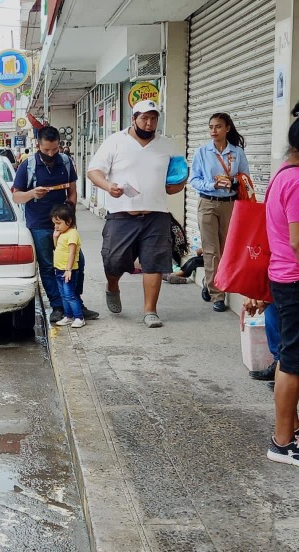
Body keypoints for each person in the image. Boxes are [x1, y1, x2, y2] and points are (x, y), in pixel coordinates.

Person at [86, 99, 187, 328]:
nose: (149, 123)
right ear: (134, 119)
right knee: (114, 260)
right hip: (121, 214)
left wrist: (177, 186)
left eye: (153, 118)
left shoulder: (168, 145)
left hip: (156, 214)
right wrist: (108, 186)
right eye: (144, 118)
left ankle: (150, 310)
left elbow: (179, 177)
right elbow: (94, 171)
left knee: (154, 262)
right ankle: (112, 286)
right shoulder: (115, 142)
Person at [12, 125, 99, 324]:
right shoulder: (29, 166)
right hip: (40, 225)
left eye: (55, 149)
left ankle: (75, 302)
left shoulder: (66, 162)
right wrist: (33, 193)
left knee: (77, 262)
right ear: (38, 146)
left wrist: (70, 208)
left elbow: (73, 190)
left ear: (60, 145)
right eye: (46, 150)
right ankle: (58, 306)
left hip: (66, 226)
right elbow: (16, 196)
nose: (51, 154)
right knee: (49, 266)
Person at [264, 101, 299, 466]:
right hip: (294, 277)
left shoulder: (282, 174)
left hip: (282, 276)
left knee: (289, 356)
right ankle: (282, 442)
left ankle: (289, 431)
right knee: (292, 361)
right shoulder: (298, 181)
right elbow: (297, 241)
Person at [188, 113, 251, 312]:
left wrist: (232, 181)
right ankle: (217, 294)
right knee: (210, 250)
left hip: (230, 204)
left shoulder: (237, 152)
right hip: (207, 202)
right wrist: (212, 183)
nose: (213, 131)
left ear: (227, 129)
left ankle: (210, 282)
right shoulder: (202, 152)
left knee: (226, 249)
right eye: (211, 127)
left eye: (218, 127)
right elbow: (194, 179)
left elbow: (245, 178)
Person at [51, 203, 84, 328]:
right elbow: (57, 248)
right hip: (59, 270)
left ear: (69, 221)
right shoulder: (62, 234)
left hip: (68, 271)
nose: (56, 226)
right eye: (55, 223)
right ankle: (68, 316)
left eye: (58, 223)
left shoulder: (72, 233)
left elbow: (72, 252)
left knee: (70, 295)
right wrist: (55, 237)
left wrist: (69, 269)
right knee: (64, 295)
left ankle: (79, 317)